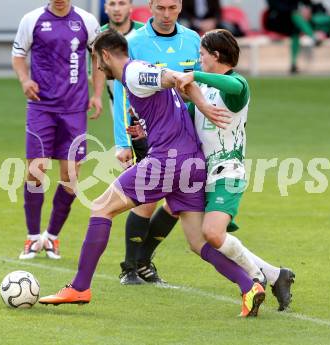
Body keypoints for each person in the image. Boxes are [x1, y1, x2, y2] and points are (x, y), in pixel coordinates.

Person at [39, 29, 266, 318]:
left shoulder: (134, 73)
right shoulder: (139, 73)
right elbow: (172, 89)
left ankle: (80, 287)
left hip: (167, 162)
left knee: (100, 208)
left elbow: (175, 78)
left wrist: (205, 107)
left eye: (96, 60)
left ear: (106, 55)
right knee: (198, 243)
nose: (96, 67)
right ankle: (249, 286)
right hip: (192, 164)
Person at [129, 29, 296, 311]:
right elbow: (180, 124)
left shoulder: (236, 85)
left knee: (213, 233)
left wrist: (195, 76)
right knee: (199, 240)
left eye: (203, 54)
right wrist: (142, 134)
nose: (199, 59)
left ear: (216, 56)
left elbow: (233, 88)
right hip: (200, 174)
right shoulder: (202, 93)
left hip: (227, 171)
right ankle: (275, 275)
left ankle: (254, 276)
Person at [114, 0, 202, 285]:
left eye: (172, 8)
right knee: (147, 199)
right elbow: (121, 92)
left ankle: (143, 262)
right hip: (146, 133)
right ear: (150, 6)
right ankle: (129, 268)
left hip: (186, 136)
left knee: (177, 203)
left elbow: (200, 87)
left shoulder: (192, 40)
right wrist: (122, 141)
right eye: (160, 8)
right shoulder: (135, 42)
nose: (166, 15)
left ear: (180, 7)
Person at [12, 0, 104, 260]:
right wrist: (25, 79)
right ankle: (32, 237)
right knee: (35, 171)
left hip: (75, 110)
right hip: (41, 108)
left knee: (71, 175)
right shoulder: (32, 20)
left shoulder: (87, 22)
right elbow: (18, 54)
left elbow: (97, 58)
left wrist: (97, 94)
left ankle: (52, 237)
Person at [100, 0, 147, 171]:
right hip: (119, 103)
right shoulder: (99, 35)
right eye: (112, 4)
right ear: (105, 8)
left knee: (149, 164)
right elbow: (95, 72)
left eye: (122, 3)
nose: (117, 8)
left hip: (145, 106)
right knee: (128, 163)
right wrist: (97, 96)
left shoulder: (143, 33)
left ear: (130, 7)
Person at [264, 0, 330, 74]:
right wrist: (296, 11)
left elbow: (309, 4)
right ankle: (313, 36)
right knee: (295, 16)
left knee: (296, 30)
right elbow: (278, 8)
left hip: (293, 25)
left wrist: (308, 11)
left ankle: (293, 64)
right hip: (278, 23)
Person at [179, 0, 245, 37]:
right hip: (193, 22)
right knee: (182, 27)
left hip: (211, 22)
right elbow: (183, 12)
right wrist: (198, 23)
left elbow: (218, 12)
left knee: (229, 28)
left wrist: (214, 21)